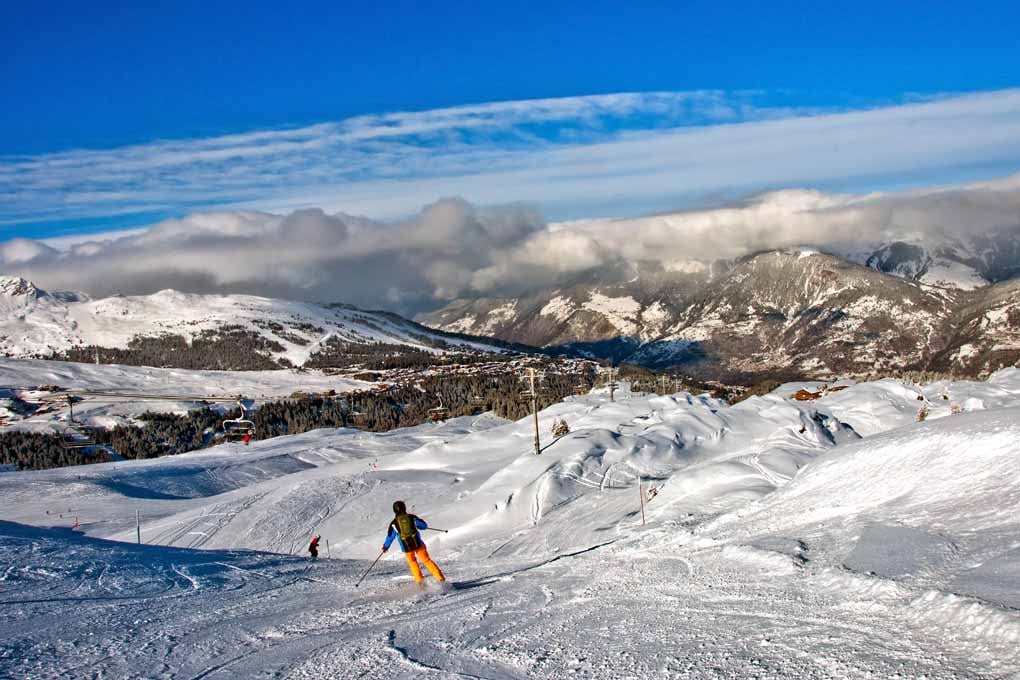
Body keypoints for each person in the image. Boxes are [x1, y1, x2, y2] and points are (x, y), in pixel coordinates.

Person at [382, 500, 445, 585]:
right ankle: (440, 578)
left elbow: (390, 537)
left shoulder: (394, 523)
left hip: (406, 548)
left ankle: (420, 582)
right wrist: (419, 525)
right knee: (427, 560)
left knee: (413, 563)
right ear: (404, 508)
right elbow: (424, 526)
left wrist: (386, 546)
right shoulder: (411, 517)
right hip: (418, 544)